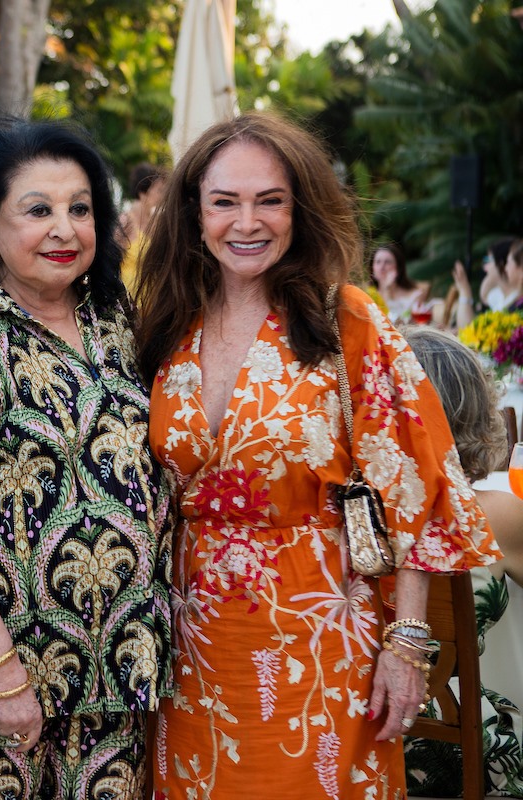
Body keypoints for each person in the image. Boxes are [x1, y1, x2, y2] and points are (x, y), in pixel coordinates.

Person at [133, 111, 501, 799]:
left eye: (270, 200)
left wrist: (407, 644)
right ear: (194, 212)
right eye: (225, 202)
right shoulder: (166, 323)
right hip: (190, 650)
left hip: (325, 640)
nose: (248, 222)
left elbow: (415, 490)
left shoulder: (347, 320)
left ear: (299, 209)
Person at [0, 116, 174, 799]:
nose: (64, 228)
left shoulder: (118, 327)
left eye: (80, 209)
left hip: (118, 679)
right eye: (38, 210)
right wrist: (2, 675)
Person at [400, 326, 523, 798]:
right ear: (475, 414)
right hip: (477, 751)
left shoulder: (348, 519)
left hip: (371, 741)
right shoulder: (495, 514)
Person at [118, 162, 167, 298]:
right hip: (130, 301)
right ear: (143, 192)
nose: (161, 196)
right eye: (158, 190)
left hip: (154, 300)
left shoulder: (157, 221)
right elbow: (111, 264)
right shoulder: (125, 222)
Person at [451, 236, 519, 329]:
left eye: (488, 260)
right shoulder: (499, 296)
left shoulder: (516, 304)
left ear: (501, 264)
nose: (484, 267)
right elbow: (484, 297)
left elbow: (468, 328)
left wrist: (464, 289)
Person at [369, 241, 436, 324]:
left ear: (398, 267)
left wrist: (387, 289)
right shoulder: (368, 294)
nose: (382, 267)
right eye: (378, 262)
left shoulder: (415, 295)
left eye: (387, 262)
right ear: (372, 267)